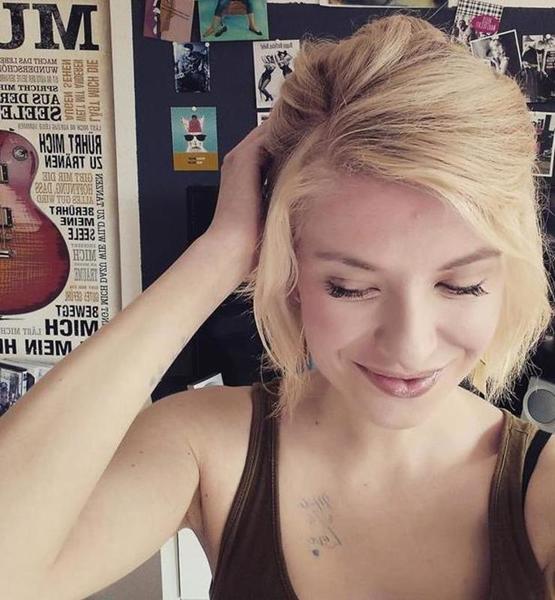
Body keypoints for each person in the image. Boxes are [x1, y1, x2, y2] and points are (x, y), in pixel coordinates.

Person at [1, 14, 554, 600]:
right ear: (289, 273)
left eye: (462, 286)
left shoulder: (543, 489)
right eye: (349, 287)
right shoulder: (205, 445)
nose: (410, 346)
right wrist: (220, 253)